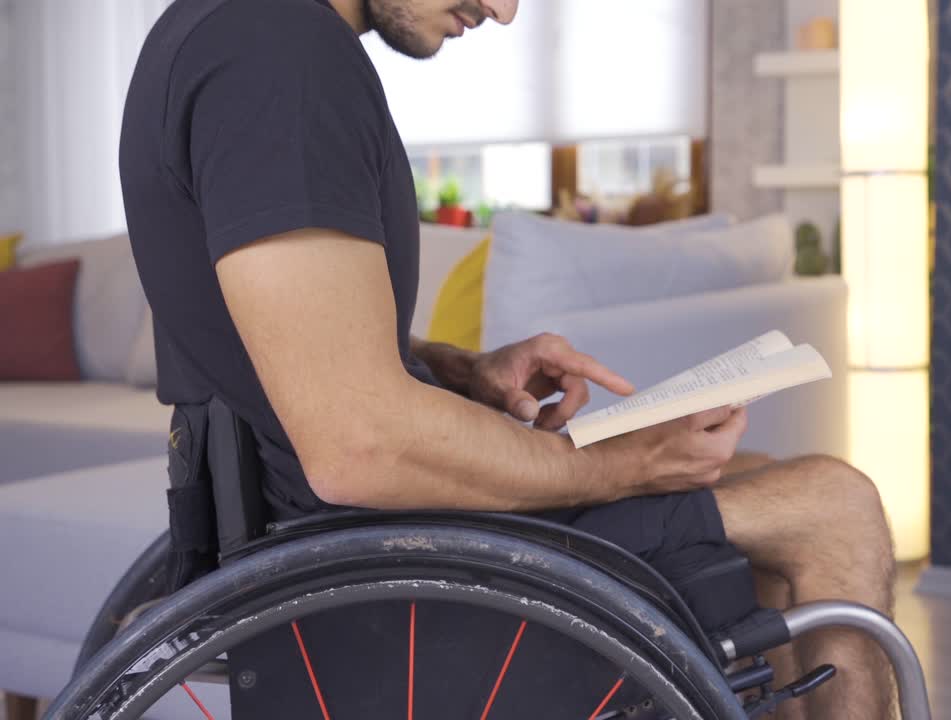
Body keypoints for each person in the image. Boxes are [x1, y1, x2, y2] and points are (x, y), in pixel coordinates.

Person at [119, 0, 896, 717]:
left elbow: (286, 341)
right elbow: (358, 446)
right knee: (834, 507)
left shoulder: (231, 30)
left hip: (347, 531)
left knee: (750, 472)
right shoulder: (280, 61)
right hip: (383, 563)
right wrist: (622, 465)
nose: (504, 8)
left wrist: (459, 372)